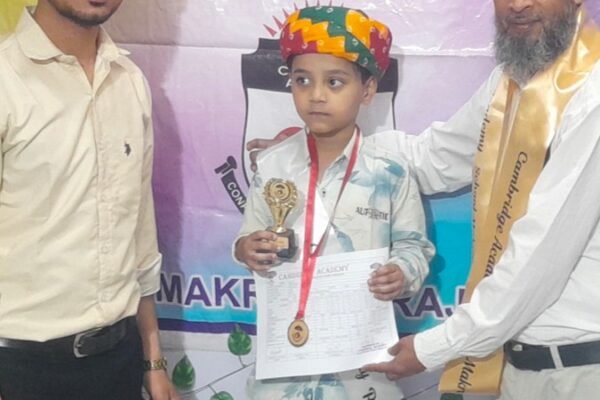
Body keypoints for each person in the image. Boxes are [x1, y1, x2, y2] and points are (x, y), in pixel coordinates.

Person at [250, 0, 600, 398]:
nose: (518, 4)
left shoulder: (592, 93)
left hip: (581, 371)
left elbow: (540, 259)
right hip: (519, 365)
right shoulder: (514, 81)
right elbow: (434, 158)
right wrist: (321, 148)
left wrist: (433, 348)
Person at [234, 5, 435, 399]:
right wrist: (247, 248)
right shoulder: (273, 164)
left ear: (368, 90)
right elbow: (246, 237)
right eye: (302, 80)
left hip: (361, 365)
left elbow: (414, 247)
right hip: (284, 366)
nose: (316, 95)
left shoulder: (390, 170)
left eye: (335, 82)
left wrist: (402, 271)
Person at [0, 1, 179, 399]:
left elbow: (140, 237)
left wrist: (153, 360)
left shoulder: (128, 80)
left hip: (118, 361)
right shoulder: (5, 77)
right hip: (17, 368)